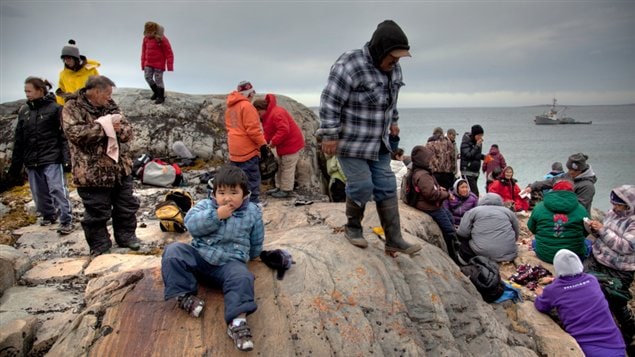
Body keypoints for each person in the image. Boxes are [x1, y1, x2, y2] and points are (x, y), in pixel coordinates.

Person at [316, 20, 421, 255]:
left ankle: (394, 239)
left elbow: (392, 99)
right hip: (351, 142)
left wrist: (394, 121)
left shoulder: (393, 69)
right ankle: (352, 227)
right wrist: (330, 135)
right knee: (362, 185)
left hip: (378, 143)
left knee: (385, 186)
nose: (396, 63)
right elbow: (330, 102)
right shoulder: (350, 65)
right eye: (393, 58)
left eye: (399, 59)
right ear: (379, 50)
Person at [161, 165, 264, 351]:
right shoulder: (205, 206)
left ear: (245, 193)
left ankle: (237, 323)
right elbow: (191, 225)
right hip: (201, 258)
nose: (227, 198)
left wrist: (255, 255)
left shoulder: (253, 212)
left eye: (234, 192)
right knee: (173, 251)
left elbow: (257, 239)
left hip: (229, 264)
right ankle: (185, 296)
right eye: (221, 192)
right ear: (214, 193)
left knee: (243, 277)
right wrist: (216, 216)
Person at [62, 76, 141, 256]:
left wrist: (119, 129)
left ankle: (127, 237)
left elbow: (128, 130)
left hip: (120, 169)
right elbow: (75, 134)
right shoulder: (72, 107)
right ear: (96, 91)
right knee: (96, 212)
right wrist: (105, 128)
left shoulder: (110, 105)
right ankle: (100, 246)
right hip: (91, 173)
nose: (109, 97)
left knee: (126, 206)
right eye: (107, 94)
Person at [10, 77, 74, 234]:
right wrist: (16, 165)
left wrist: (67, 159)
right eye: (25, 91)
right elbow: (19, 139)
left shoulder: (55, 109)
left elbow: (63, 136)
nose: (27, 94)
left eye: (29, 91)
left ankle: (66, 220)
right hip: (31, 159)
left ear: (40, 90)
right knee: (38, 191)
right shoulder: (24, 111)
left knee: (57, 188)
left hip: (52, 157)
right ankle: (48, 215)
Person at [534, 249, 626, 357]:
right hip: (615, 343)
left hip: (588, 347)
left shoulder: (553, 290)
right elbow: (575, 284)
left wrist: (541, 295)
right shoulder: (592, 280)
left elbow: (541, 306)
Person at [585, 185, 635, 353]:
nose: (614, 207)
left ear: (629, 205)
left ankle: (629, 332)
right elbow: (604, 233)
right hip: (598, 258)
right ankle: (595, 324)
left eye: (618, 205)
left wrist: (603, 231)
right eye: (613, 203)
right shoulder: (612, 213)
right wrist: (594, 229)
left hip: (619, 268)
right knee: (588, 289)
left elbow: (626, 246)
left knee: (616, 301)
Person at [409, 145, 459, 263]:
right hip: (430, 207)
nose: (431, 161)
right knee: (449, 230)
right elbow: (431, 195)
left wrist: (437, 188)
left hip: (429, 203)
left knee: (450, 218)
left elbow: (428, 189)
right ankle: (453, 255)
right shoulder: (423, 175)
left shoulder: (419, 171)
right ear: (423, 160)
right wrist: (446, 195)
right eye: (429, 159)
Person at [252, 94, 305, 198]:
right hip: (284, 146)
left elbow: (284, 130)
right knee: (280, 166)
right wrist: (263, 143)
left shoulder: (276, 113)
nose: (258, 116)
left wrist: (273, 142)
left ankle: (286, 190)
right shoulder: (268, 116)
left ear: (262, 109)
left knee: (287, 167)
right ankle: (280, 187)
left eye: (258, 113)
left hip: (291, 145)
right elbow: (268, 132)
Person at [225, 81, 267, 205]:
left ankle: (239, 202)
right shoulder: (247, 106)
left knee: (237, 178)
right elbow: (253, 130)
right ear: (249, 94)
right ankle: (253, 203)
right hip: (246, 149)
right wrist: (262, 145)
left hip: (234, 148)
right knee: (252, 177)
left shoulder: (230, 107)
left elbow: (230, 126)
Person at [528, 180, 589, 264]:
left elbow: (532, 227)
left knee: (535, 242)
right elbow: (586, 232)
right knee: (588, 243)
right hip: (573, 257)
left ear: (553, 190)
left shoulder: (539, 207)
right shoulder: (581, 209)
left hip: (545, 255)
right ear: (571, 191)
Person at [456, 193, 520, 264]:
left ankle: (464, 263)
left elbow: (463, 233)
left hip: (482, 253)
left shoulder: (473, 211)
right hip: (509, 253)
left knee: (464, 244)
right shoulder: (508, 212)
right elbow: (516, 231)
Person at [529, 152, 597, 215]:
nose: (571, 172)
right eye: (569, 169)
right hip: (563, 216)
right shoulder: (568, 175)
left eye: (575, 170)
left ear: (581, 170)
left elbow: (579, 207)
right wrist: (532, 187)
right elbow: (552, 181)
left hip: (578, 219)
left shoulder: (588, 186)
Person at [56, 40, 100, 106]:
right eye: (64, 59)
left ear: (75, 58)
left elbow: (100, 87)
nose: (66, 61)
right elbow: (61, 93)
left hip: (91, 106)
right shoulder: (63, 74)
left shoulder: (90, 70)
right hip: (72, 108)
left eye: (69, 58)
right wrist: (60, 109)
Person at [141, 21, 174, 104]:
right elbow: (143, 52)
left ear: (154, 31)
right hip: (148, 63)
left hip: (159, 64)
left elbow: (169, 52)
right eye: (146, 32)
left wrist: (169, 65)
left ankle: (161, 96)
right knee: (147, 77)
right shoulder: (145, 39)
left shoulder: (161, 39)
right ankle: (156, 92)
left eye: (150, 32)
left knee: (158, 79)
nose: (148, 34)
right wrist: (143, 64)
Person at [460, 124, 485, 196]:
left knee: (471, 193)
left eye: (481, 135)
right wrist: (477, 146)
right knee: (474, 193)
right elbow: (468, 155)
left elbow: (476, 155)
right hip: (467, 171)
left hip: (475, 171)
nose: (480, 137)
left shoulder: (478, 142)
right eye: (479, 135)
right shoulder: (465, 142)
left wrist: (485, 158)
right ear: (474, 135)